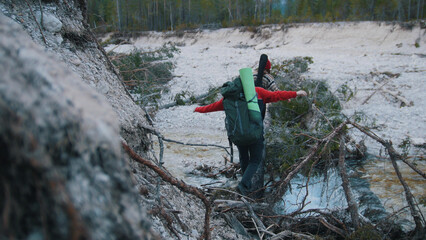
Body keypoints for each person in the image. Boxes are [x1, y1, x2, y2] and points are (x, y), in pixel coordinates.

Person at [194, 86, 307, 196]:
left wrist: (198, 109)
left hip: (239, 134)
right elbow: (277, 95)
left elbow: (212, 106)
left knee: (244, 158)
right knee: (255, 160)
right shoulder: (258, 92)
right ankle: (243, 185)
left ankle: (245, 184)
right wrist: (296, 93)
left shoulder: (230, 98)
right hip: (255, 134)